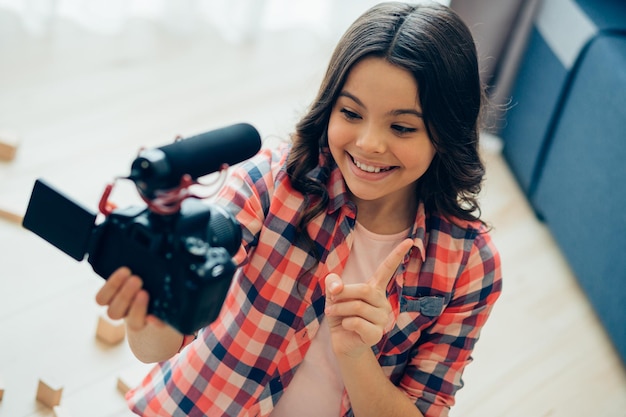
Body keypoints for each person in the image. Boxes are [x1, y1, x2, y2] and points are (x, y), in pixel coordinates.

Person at [95, 2, 502, 416]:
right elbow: (158, 348)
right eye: (350, 113)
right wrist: (146, 315)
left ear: (447, 131)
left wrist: (357, 354)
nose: (369, 143)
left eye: (401, 127)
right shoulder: (271, 185)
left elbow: (425, 408)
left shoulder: (469, 265)